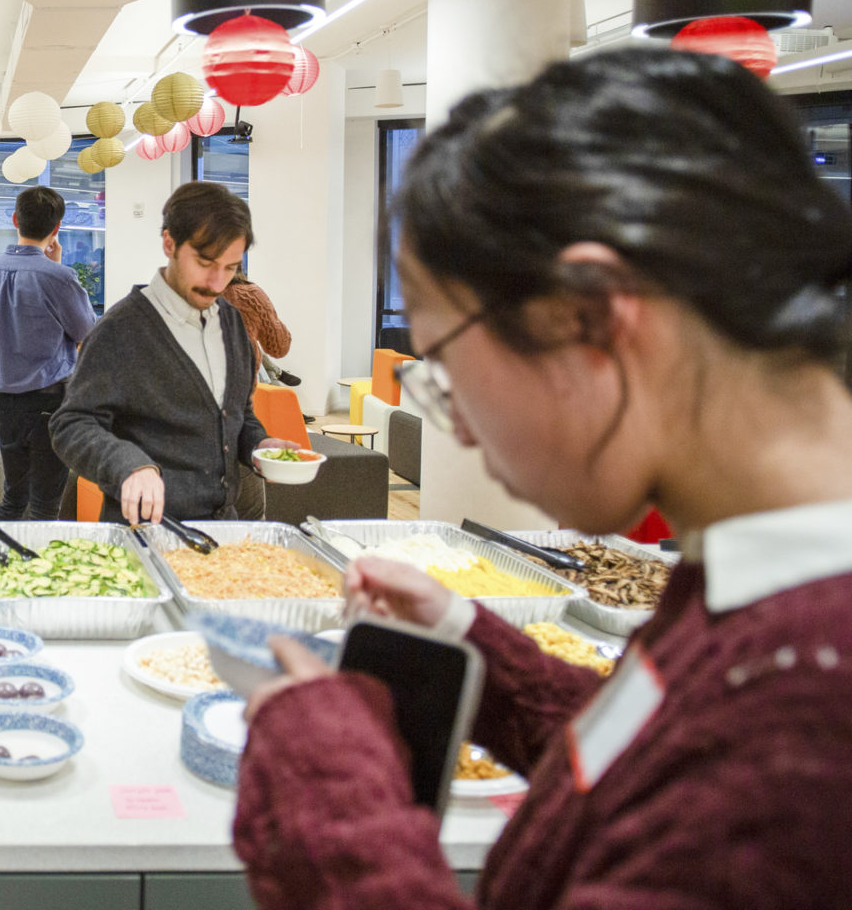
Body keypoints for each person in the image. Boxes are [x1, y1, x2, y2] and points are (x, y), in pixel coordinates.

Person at [232, 50, 852, 910]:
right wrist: (473, 645)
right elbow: (653, 772)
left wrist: (324, 778)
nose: (459, 425)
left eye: (443, 363)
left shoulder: (811, 717)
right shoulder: (750, 593)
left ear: (590, 313)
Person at [53, 182, 293, 525]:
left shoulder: (231, 323)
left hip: (222, 528)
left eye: (230, 268)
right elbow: (71, 424)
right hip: (146, 530)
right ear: (169, 243)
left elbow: (237, 414)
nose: (216, 282)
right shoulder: (121, 330)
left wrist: (260, 445)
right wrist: (128, 464)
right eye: (205, 262)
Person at [0, 185, 96, 521]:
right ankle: (35, 573)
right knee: (46, 504)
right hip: (51, 406)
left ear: (15, 219)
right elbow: (90, 335)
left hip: (4, 404)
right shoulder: (60, 278)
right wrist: (57, 267)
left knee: (14, 496)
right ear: (57, 228)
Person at [223, 270, 302, 387]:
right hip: (241, 386)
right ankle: (276, 372)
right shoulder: (249, 294)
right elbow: (279, 347)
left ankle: (275, 372)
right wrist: (267, 312)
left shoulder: (191, 297)